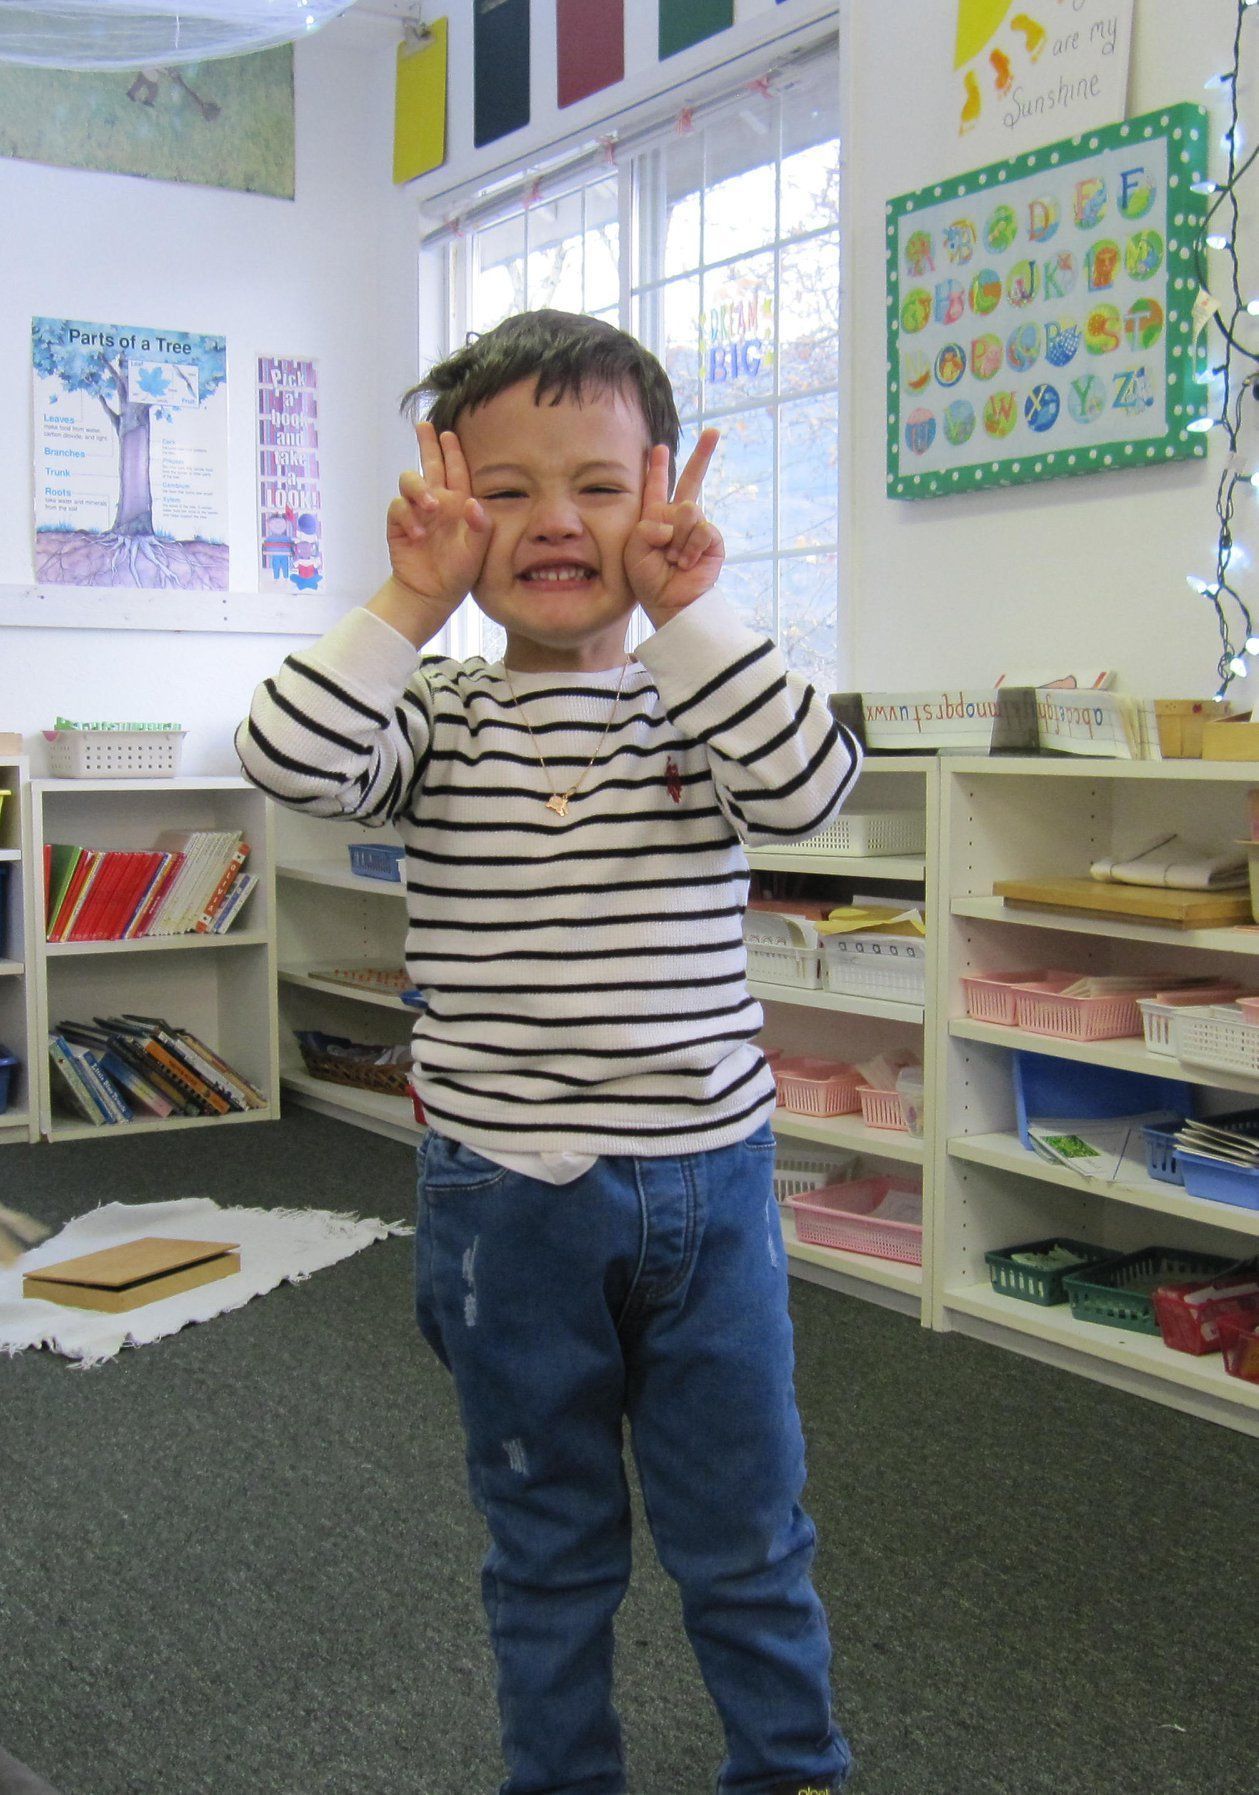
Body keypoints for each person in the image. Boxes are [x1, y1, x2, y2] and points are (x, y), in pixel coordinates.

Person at [237, 309, 862, 1795]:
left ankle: (795, 1772)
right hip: (503, 1207)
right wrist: (405, 598)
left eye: (596, 483)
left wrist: (694, 613)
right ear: (446, 504)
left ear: (663, 494)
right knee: (547, 1551)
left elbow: (811, 797)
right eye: (502, 490)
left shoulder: (701, 698)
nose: (554, 522)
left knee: (750, 1540)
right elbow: (287, 757)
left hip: (710, 1193)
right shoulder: (436, 715)